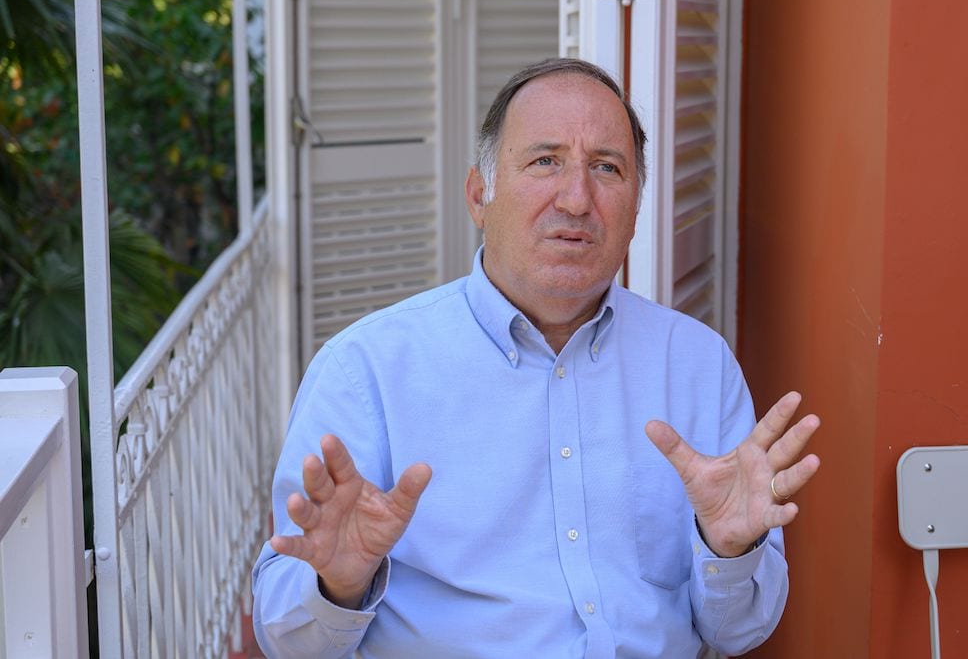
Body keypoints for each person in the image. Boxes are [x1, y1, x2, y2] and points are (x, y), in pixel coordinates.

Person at [252, 58, 821, 658]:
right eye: (545, 161)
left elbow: (739, 632)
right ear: (479, 196)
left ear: (634, 210)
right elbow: (287, 641)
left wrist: (728, 551)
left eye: (607, 168)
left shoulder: (698, 366)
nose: (576, 200)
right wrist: (339, 584)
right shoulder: (366, 370)